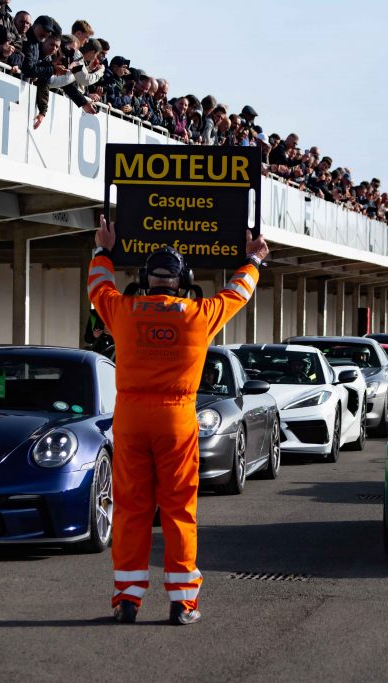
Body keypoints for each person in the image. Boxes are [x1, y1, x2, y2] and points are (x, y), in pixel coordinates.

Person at [88, 215, 268, 626]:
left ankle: (127, 601)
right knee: (178, 510)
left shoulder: (125, 311)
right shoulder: (197, 315)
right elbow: (236, 293)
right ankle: (182, 603)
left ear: (145, 279)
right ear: (183, 280)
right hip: (177, 419)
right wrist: (254, 260)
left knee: (131, 510)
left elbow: (98, 288)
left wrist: (102, 250)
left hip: (131, 419)